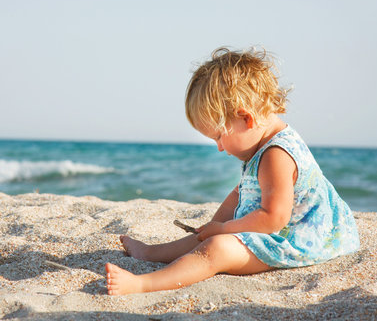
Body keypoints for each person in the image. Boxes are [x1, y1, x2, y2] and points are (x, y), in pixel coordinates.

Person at [105, 47, 360, 295]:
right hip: (278, 235)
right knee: (207, 237)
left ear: (246, 118)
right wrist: (216, 223)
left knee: (216, 247)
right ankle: (149, 253)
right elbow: (241, 193)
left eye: (218, 136)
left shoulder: (276, 155)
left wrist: (223, 230)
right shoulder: (261, 146)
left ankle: (143, 284)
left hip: (297, 243)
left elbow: (274, 218)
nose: (218, 147)